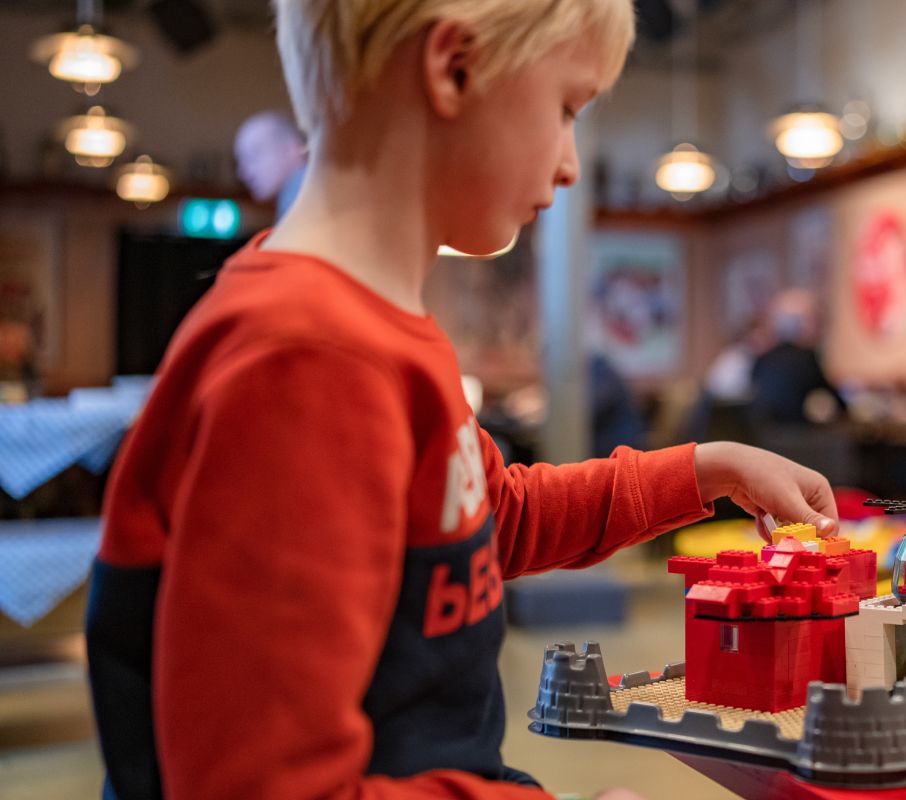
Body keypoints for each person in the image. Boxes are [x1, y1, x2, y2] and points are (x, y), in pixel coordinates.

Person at [86, 3, 838, 798]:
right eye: (565, 109)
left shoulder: (374, 323)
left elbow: (488, 518)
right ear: (453, 70)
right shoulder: (309, 358)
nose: (571, 165)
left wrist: (705, 469)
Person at [749, 289, 845, 424]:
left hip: (764, 438)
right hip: (801, 439)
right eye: (816, 321)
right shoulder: (806, 359)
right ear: (801, 324)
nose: (820, 330)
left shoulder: (761, 359)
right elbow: (834, 400)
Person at [234, 109, 307, 219]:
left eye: (254, 156)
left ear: (292, 148)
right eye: (241, 161)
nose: (242, 173)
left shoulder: (303, 200)